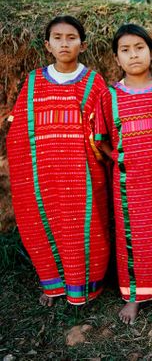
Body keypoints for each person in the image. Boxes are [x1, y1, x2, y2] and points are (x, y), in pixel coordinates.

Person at [6, 15, 110, 306]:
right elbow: (20, 131)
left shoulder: (93, 82)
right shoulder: (34, 81)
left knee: (82, 227)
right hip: (43, 175)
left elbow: (102, 129)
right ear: (48, 45)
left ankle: (84, 287)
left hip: (82, 176)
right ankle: (52, 284)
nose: (64, 43)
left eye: (71, 38)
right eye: (58, 38)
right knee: (43, 223)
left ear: (82, 44)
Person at [94, 24, 152, 324]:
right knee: (131, 237)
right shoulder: (110, 96)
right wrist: (118, 158)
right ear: (117, 59)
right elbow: (102, 139)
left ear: (151, 52)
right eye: (125, 50)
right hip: (126, 184)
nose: (133, 55)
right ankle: (133, 295)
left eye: (139, 48)